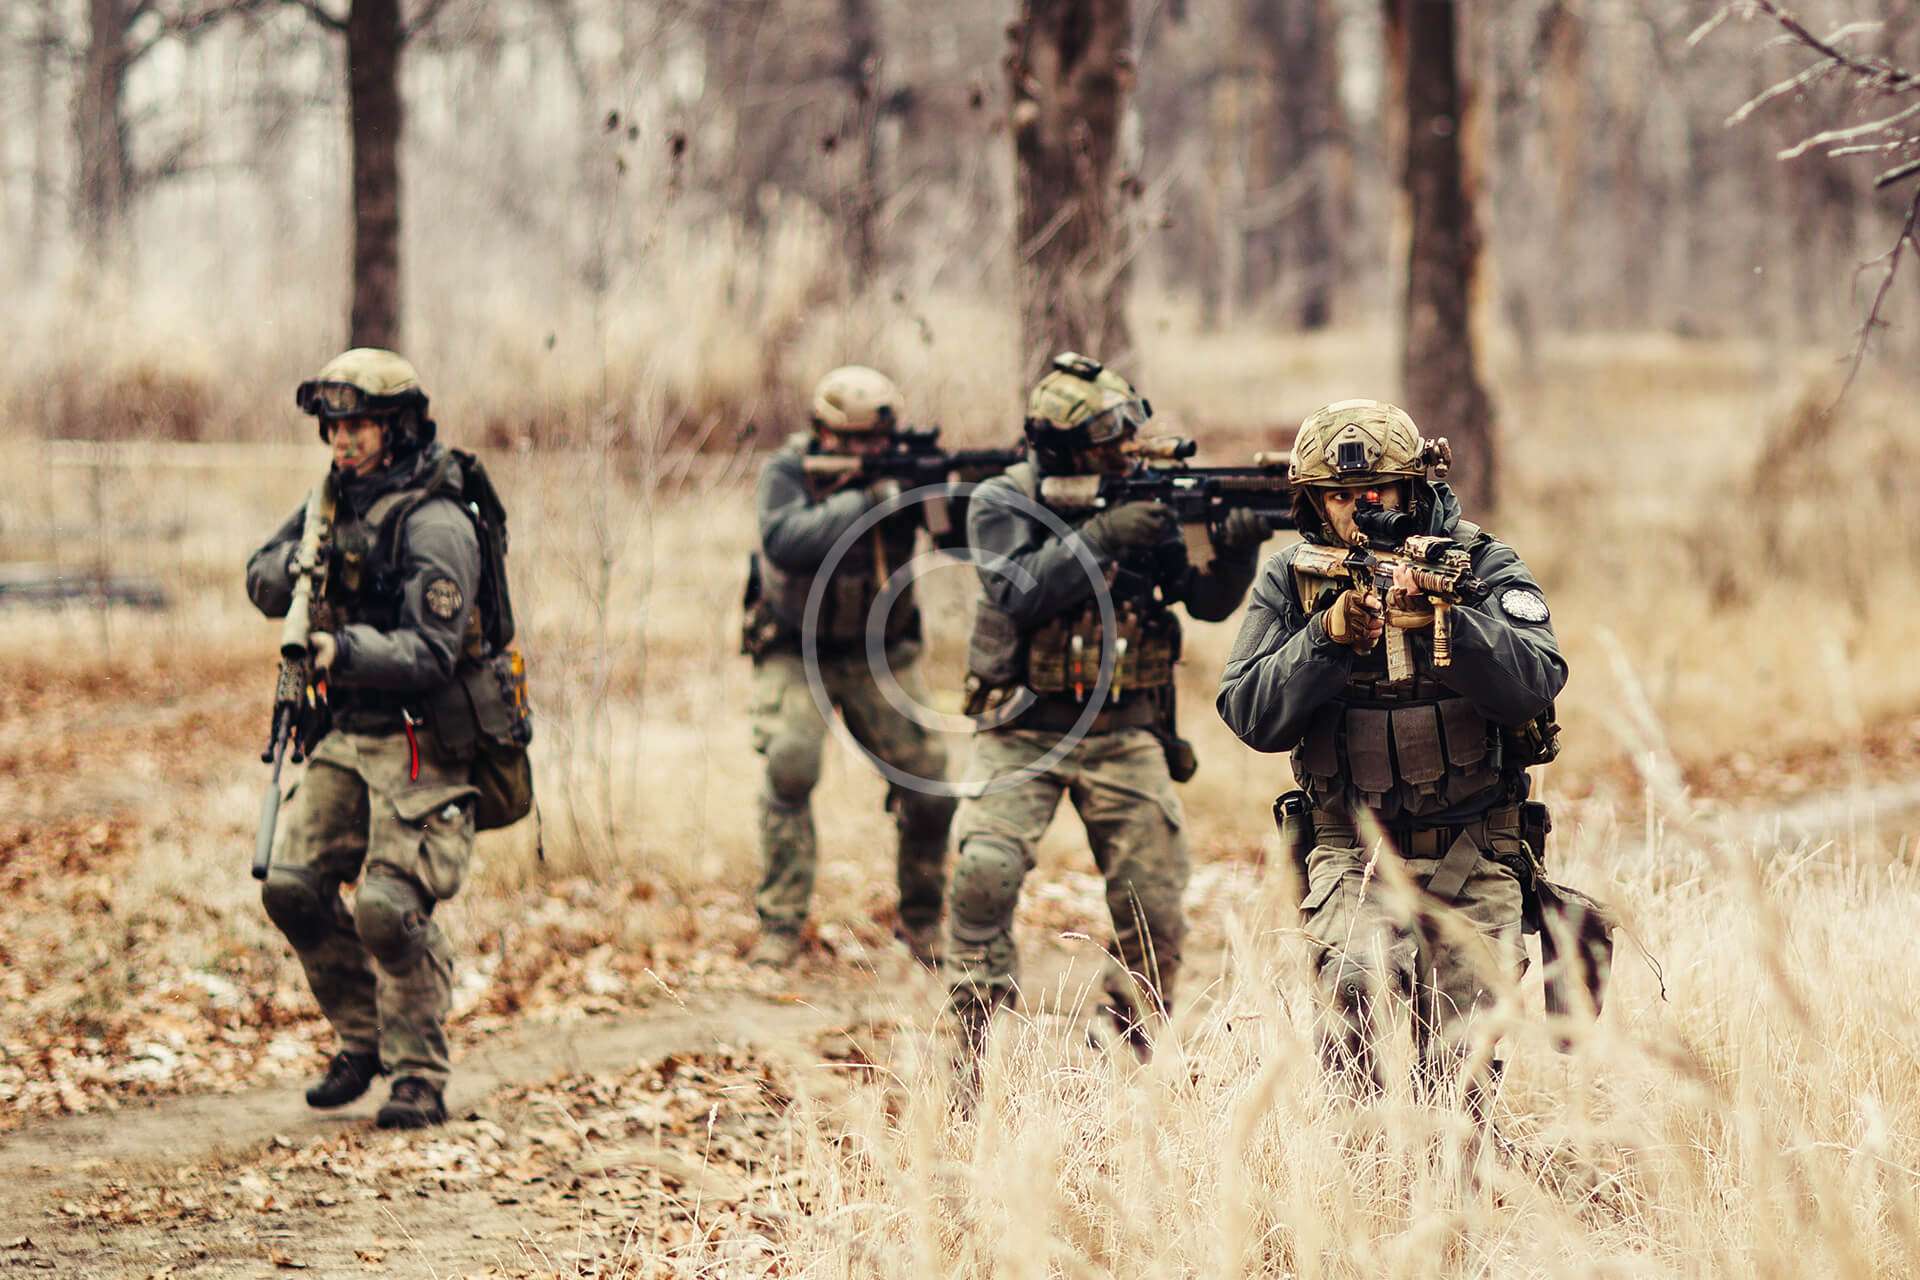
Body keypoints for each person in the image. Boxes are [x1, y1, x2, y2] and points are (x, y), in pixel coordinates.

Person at [1215, 399, 1566, 1105]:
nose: (1361, 509)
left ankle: (1458, 1170)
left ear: (1412, 488)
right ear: (1314, 501)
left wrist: (1454, 628)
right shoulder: (1291, 578)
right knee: (1354, 993)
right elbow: (1249, 712)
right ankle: (1363, 1167)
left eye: (1378, 491)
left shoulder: (1479, 562)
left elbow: (1536, 681)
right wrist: (1326, 640)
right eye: (1341, 496)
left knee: (1463, 1066)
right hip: (1353, 852)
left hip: (1473, 848)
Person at [943, 352, 1270, 1057]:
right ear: (1061, 447)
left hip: (1126, 732)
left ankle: (1124, 1053)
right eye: (1106, 439)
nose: (1126, 448)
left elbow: (1206, 602)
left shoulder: (1146, 498)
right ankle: (975, 1050)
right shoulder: (1002, 499)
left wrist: (1237, 551)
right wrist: (1103, 536)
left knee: (1155, 904)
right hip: (1022, 731)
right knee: (984, 873)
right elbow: (1018, 592)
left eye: (1127, 432)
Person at [248, 348, 486, 1130]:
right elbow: (259, 577)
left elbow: (432, 651)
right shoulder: (331, 501)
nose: (342, 441)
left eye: (358, 426)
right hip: (347, 730)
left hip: (421, 739)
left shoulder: (437, 520)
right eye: (332, 427)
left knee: (387, 907)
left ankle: (418, 1073)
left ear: (399, 427)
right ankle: (364, 1039)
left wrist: (341, 649)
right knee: (290, 884)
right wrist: (298, 568)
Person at [740, 366, 956, 968]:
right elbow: (785, 538)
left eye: (875, 441)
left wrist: (940, 492)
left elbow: (958, 541)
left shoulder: (904, 473)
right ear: (823, 432)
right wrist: (868, 500)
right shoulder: (789, 472)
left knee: (930, 785)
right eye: (851, 441)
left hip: (880, 654)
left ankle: (922, 921)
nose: (864, 451)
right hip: (795, 648)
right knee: (789, 766)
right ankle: (781, 926)